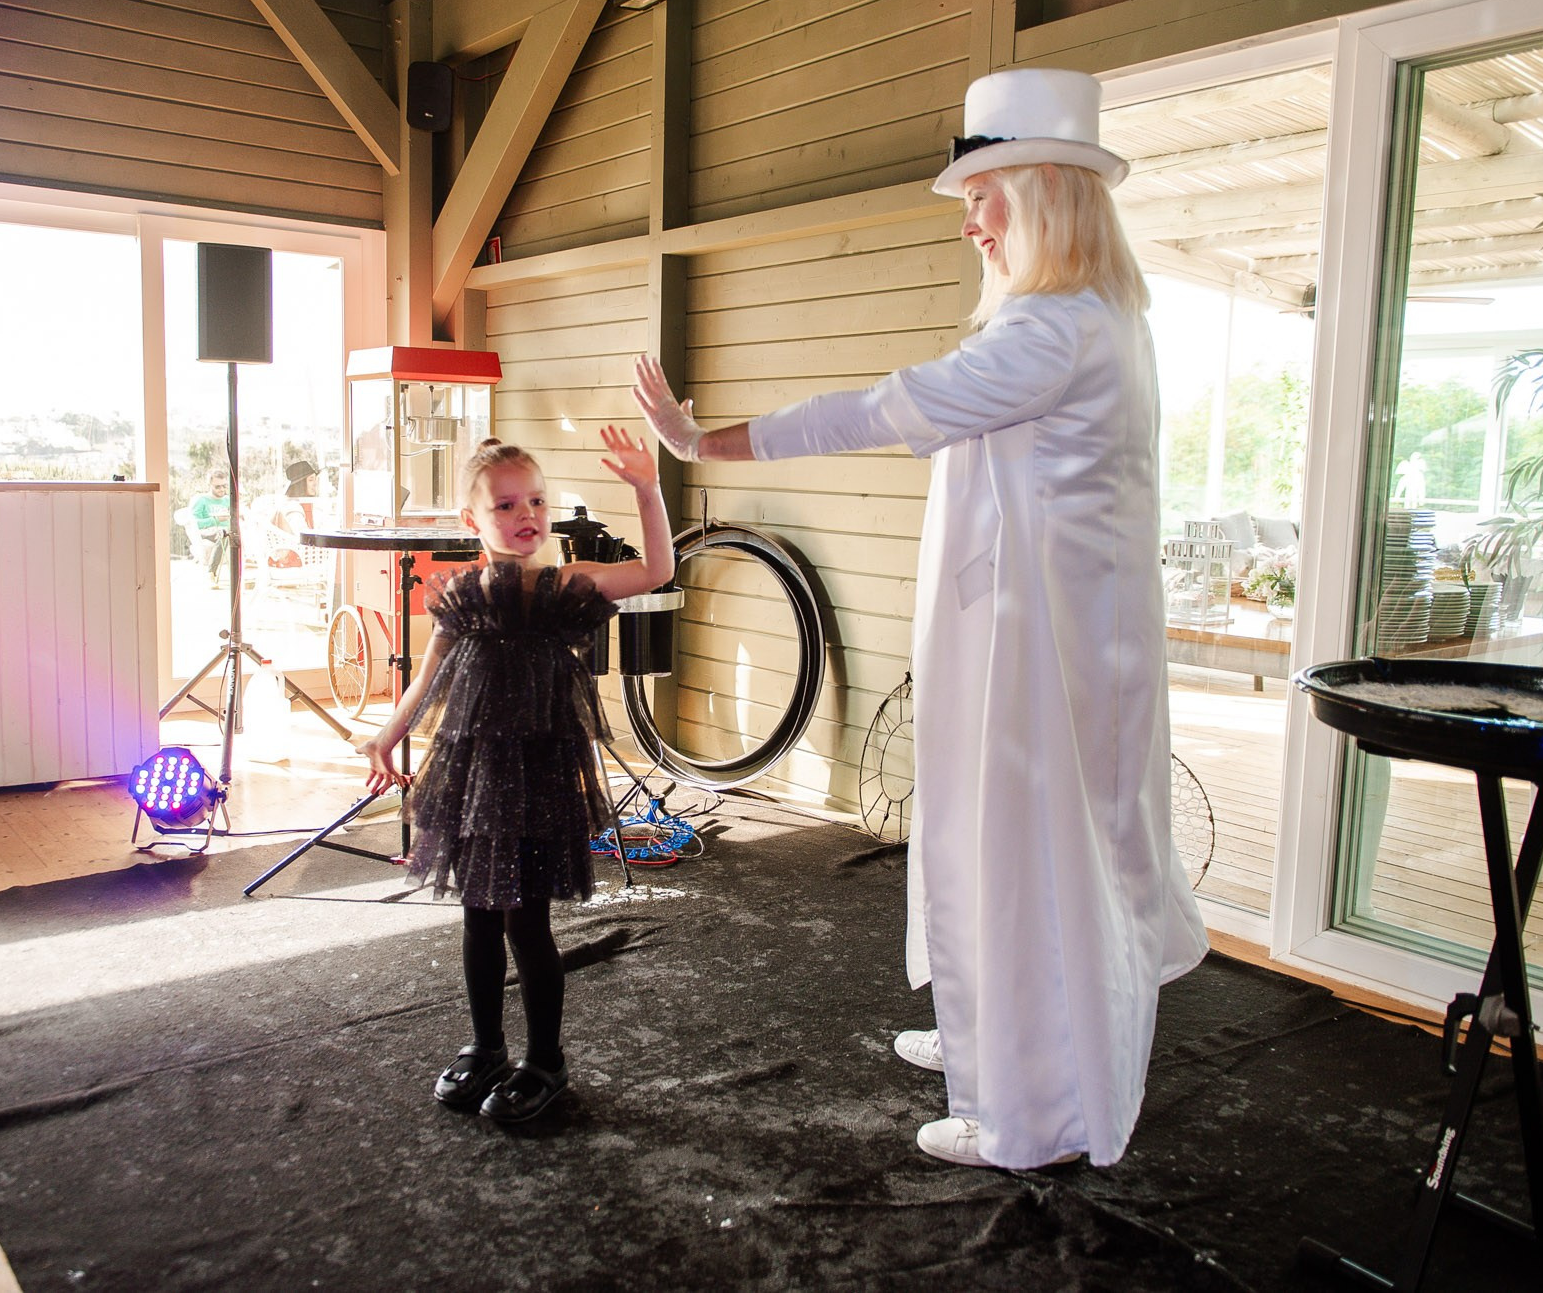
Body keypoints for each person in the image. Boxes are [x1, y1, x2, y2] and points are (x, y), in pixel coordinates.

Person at [630, 67, 1208, 1171]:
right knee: (994, 838)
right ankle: (988, 1034)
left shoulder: (1051, 332)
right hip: (1031, 633)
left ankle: (1028, 1112)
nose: (970, 221)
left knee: (1021, 851)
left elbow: (885, 407)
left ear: (1041, 192)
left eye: (981, 193)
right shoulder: (1095, 320)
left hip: (1034, 653)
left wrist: (706, 444)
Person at [359, 427, 673, 1125]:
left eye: (534, 499)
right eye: (505, 505)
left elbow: (655, 569)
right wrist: (386, 734)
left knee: (526, 922)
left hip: (536, 785)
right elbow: (427, 679)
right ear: (473, 520)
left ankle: (546, 1060)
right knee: (477, 917)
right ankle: (486, 1045)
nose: (525, 513)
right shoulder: (463, 596)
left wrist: (647, 487)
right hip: (474, 784)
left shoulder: (566, 585)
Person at [188, 469, 232, 585]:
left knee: (228, 533)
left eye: (224, 486)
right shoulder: (201, 500)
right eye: (217, 487)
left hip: (227, 531)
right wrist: (216, 520)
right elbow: (194, 523)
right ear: (209, 485)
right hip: (207, 532)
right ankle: (211, 572)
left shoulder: (228, 500)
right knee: (224, 533)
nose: (222, 489)